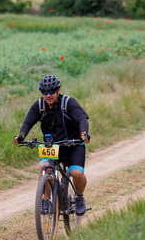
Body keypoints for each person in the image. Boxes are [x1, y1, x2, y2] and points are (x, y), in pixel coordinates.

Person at [13, 75, 91, 215]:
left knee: (77, 173)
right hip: (51, 147)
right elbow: (28, 123)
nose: (48, 95)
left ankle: (79, 197)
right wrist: (21, 136)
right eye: (44, 92)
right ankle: (47, 200)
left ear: (58, 91)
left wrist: (84, 133)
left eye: (51, 92)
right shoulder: (39, 105)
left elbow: (82, 119)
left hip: (73, 145)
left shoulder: (68, 102)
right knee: (44, 167)